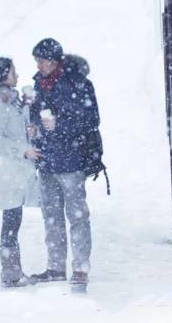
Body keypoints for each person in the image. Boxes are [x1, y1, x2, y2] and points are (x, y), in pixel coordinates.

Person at [28, 38, 98, 290]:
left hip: (71, 159)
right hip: (47, 160)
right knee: (51, 216)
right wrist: (34, 125)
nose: (37, 65)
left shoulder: (79, 83)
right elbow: (37, 112)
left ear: (54, 61)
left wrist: (60, 125)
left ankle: (80, 268)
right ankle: (56, 267)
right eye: (36, 60)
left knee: (77, 216)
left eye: (41, 60)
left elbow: (91, 120)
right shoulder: (38, 84)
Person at [0, 57, 41, 288]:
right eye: (13, 71)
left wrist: (30, 128)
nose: (17, 75)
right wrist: (23, 150)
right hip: (8, 171)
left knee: (13, 220)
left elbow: (16, 130)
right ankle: (11, 272)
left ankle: (12, 272)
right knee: (10, 222)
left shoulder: (12, 100)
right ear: (3, 74)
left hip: (17, 170)